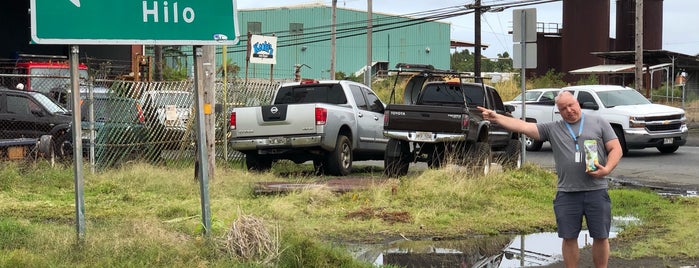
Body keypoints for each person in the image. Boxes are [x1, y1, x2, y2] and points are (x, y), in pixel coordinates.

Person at [478, 91, 622, 268]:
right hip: (567, 193)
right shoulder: (552, 128)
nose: (569, 110)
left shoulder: (599, 122)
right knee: (569, 237)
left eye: (571, 105)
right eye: (563, 108)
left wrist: (606, 169)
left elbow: (616, 148)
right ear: (558, 111)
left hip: (596, 190)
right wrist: (496, 117)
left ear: (578, 103)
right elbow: (522, 126)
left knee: (600, 235)